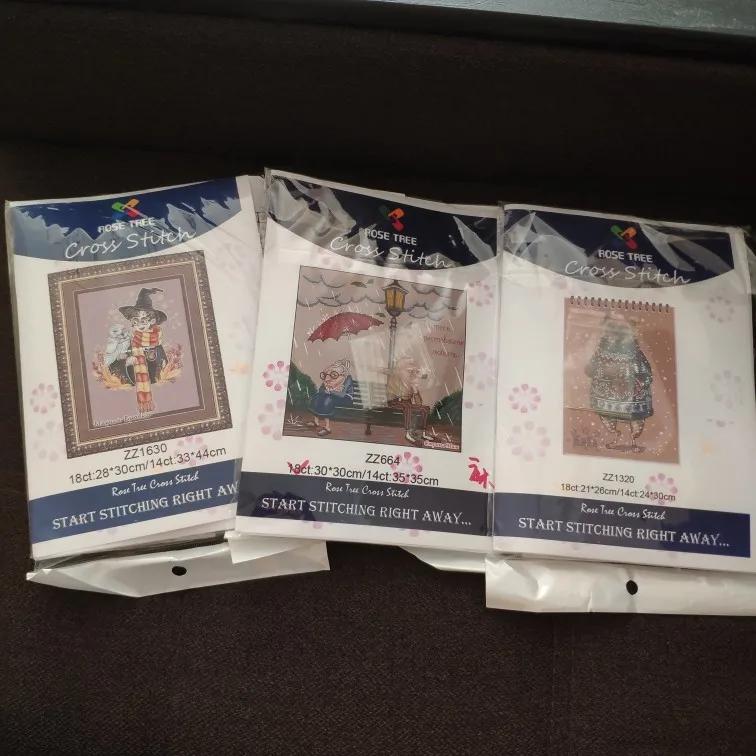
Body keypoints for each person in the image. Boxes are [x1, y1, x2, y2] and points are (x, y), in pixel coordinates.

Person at [108, 288, 168, 413]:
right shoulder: (127, 343)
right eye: (136, 321)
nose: (139, 324)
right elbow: (112, 368)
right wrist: (126, 363)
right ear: (131, 322)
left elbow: (164, 369)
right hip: (126, 394)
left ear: (152, 321)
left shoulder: (157, 344)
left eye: (144, 320)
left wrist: (152, 359)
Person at [384, 354, 432, 445]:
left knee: (425, 409)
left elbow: (419, 404)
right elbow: (386, 371)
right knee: (407, 405)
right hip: (394, 402)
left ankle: (423, 434)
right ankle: (408, 434)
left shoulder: (411, 383)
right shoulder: (396, 377)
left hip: (406, 405)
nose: (412, 373)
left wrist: (415, 390)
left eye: (413, 371)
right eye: (409, 371)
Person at [307, 358, 355, 437]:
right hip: (332, 395)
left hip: (345, 398)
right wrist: (330, 390)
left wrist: (330, 391)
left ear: (343, 375)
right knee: (318, 397)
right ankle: (316, 421)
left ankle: (327, 428)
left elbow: (342, 394)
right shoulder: (327, 378)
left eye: (334, 375)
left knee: (328, 400)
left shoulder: (347, 379)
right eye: (326, 374)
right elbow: (321, 390)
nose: (327, 379)